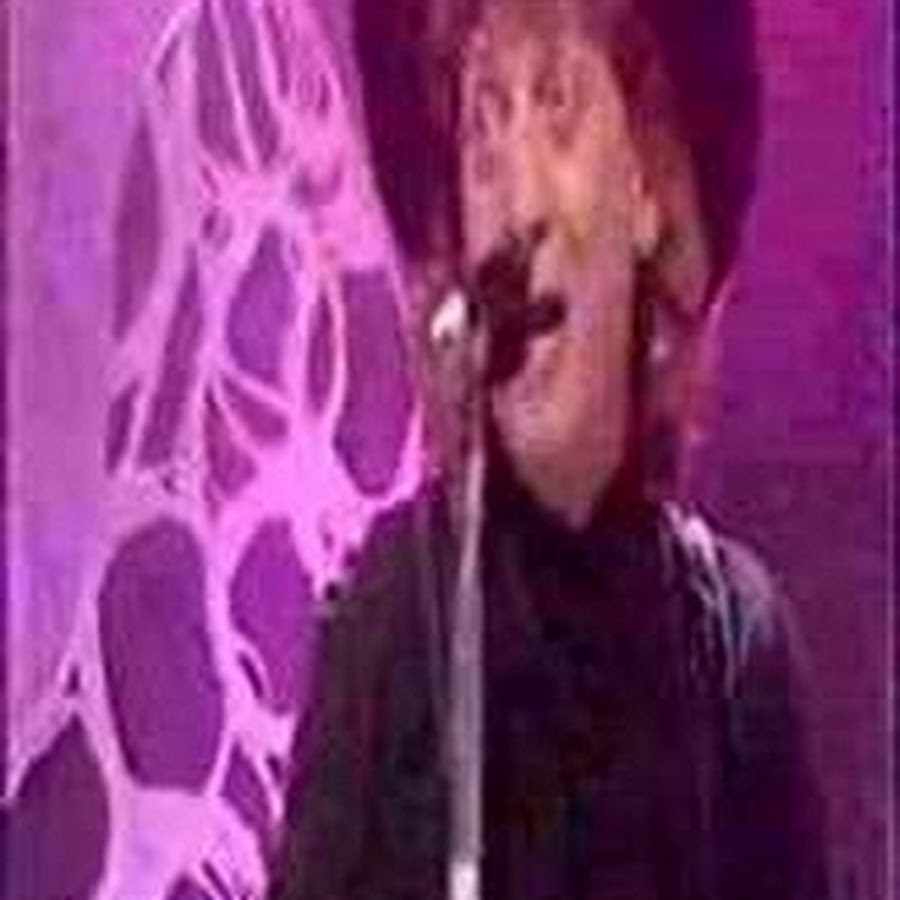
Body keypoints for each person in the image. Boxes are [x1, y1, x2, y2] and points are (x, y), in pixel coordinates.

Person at [266, 0, 832, 897]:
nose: (518, 202)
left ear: (647, 189)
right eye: (484, 128)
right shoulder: (399, 621)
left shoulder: (734, 651)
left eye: (557, 105)